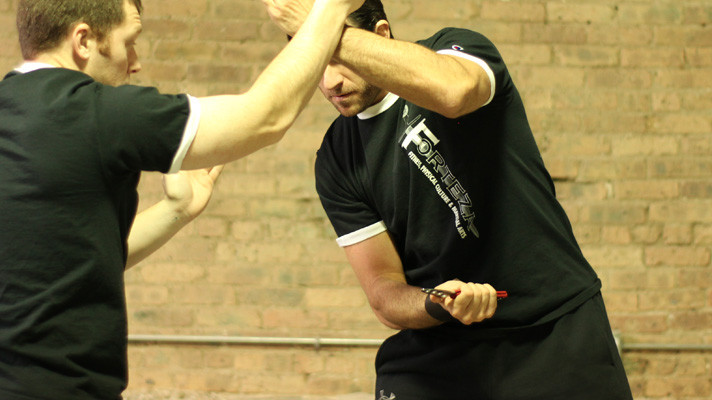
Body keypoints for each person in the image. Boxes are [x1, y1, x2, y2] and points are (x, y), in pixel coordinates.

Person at [0, 0, 363, 399]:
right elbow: (265, 116)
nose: (135, 62)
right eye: (130, 42)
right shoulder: (95, 111)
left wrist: (175, 211)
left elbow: (69, 260)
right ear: (84, 41)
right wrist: (332, 9)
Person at [265, 0, 634, 398]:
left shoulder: (455, 51)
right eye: (317, 61)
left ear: (381, 35)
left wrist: (326, 32)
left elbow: (454, 92)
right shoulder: (337, 158)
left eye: (339, 58)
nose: (329, 83)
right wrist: (437, 303)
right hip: (442, 345)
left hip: (552, 325)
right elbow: (384, 293)